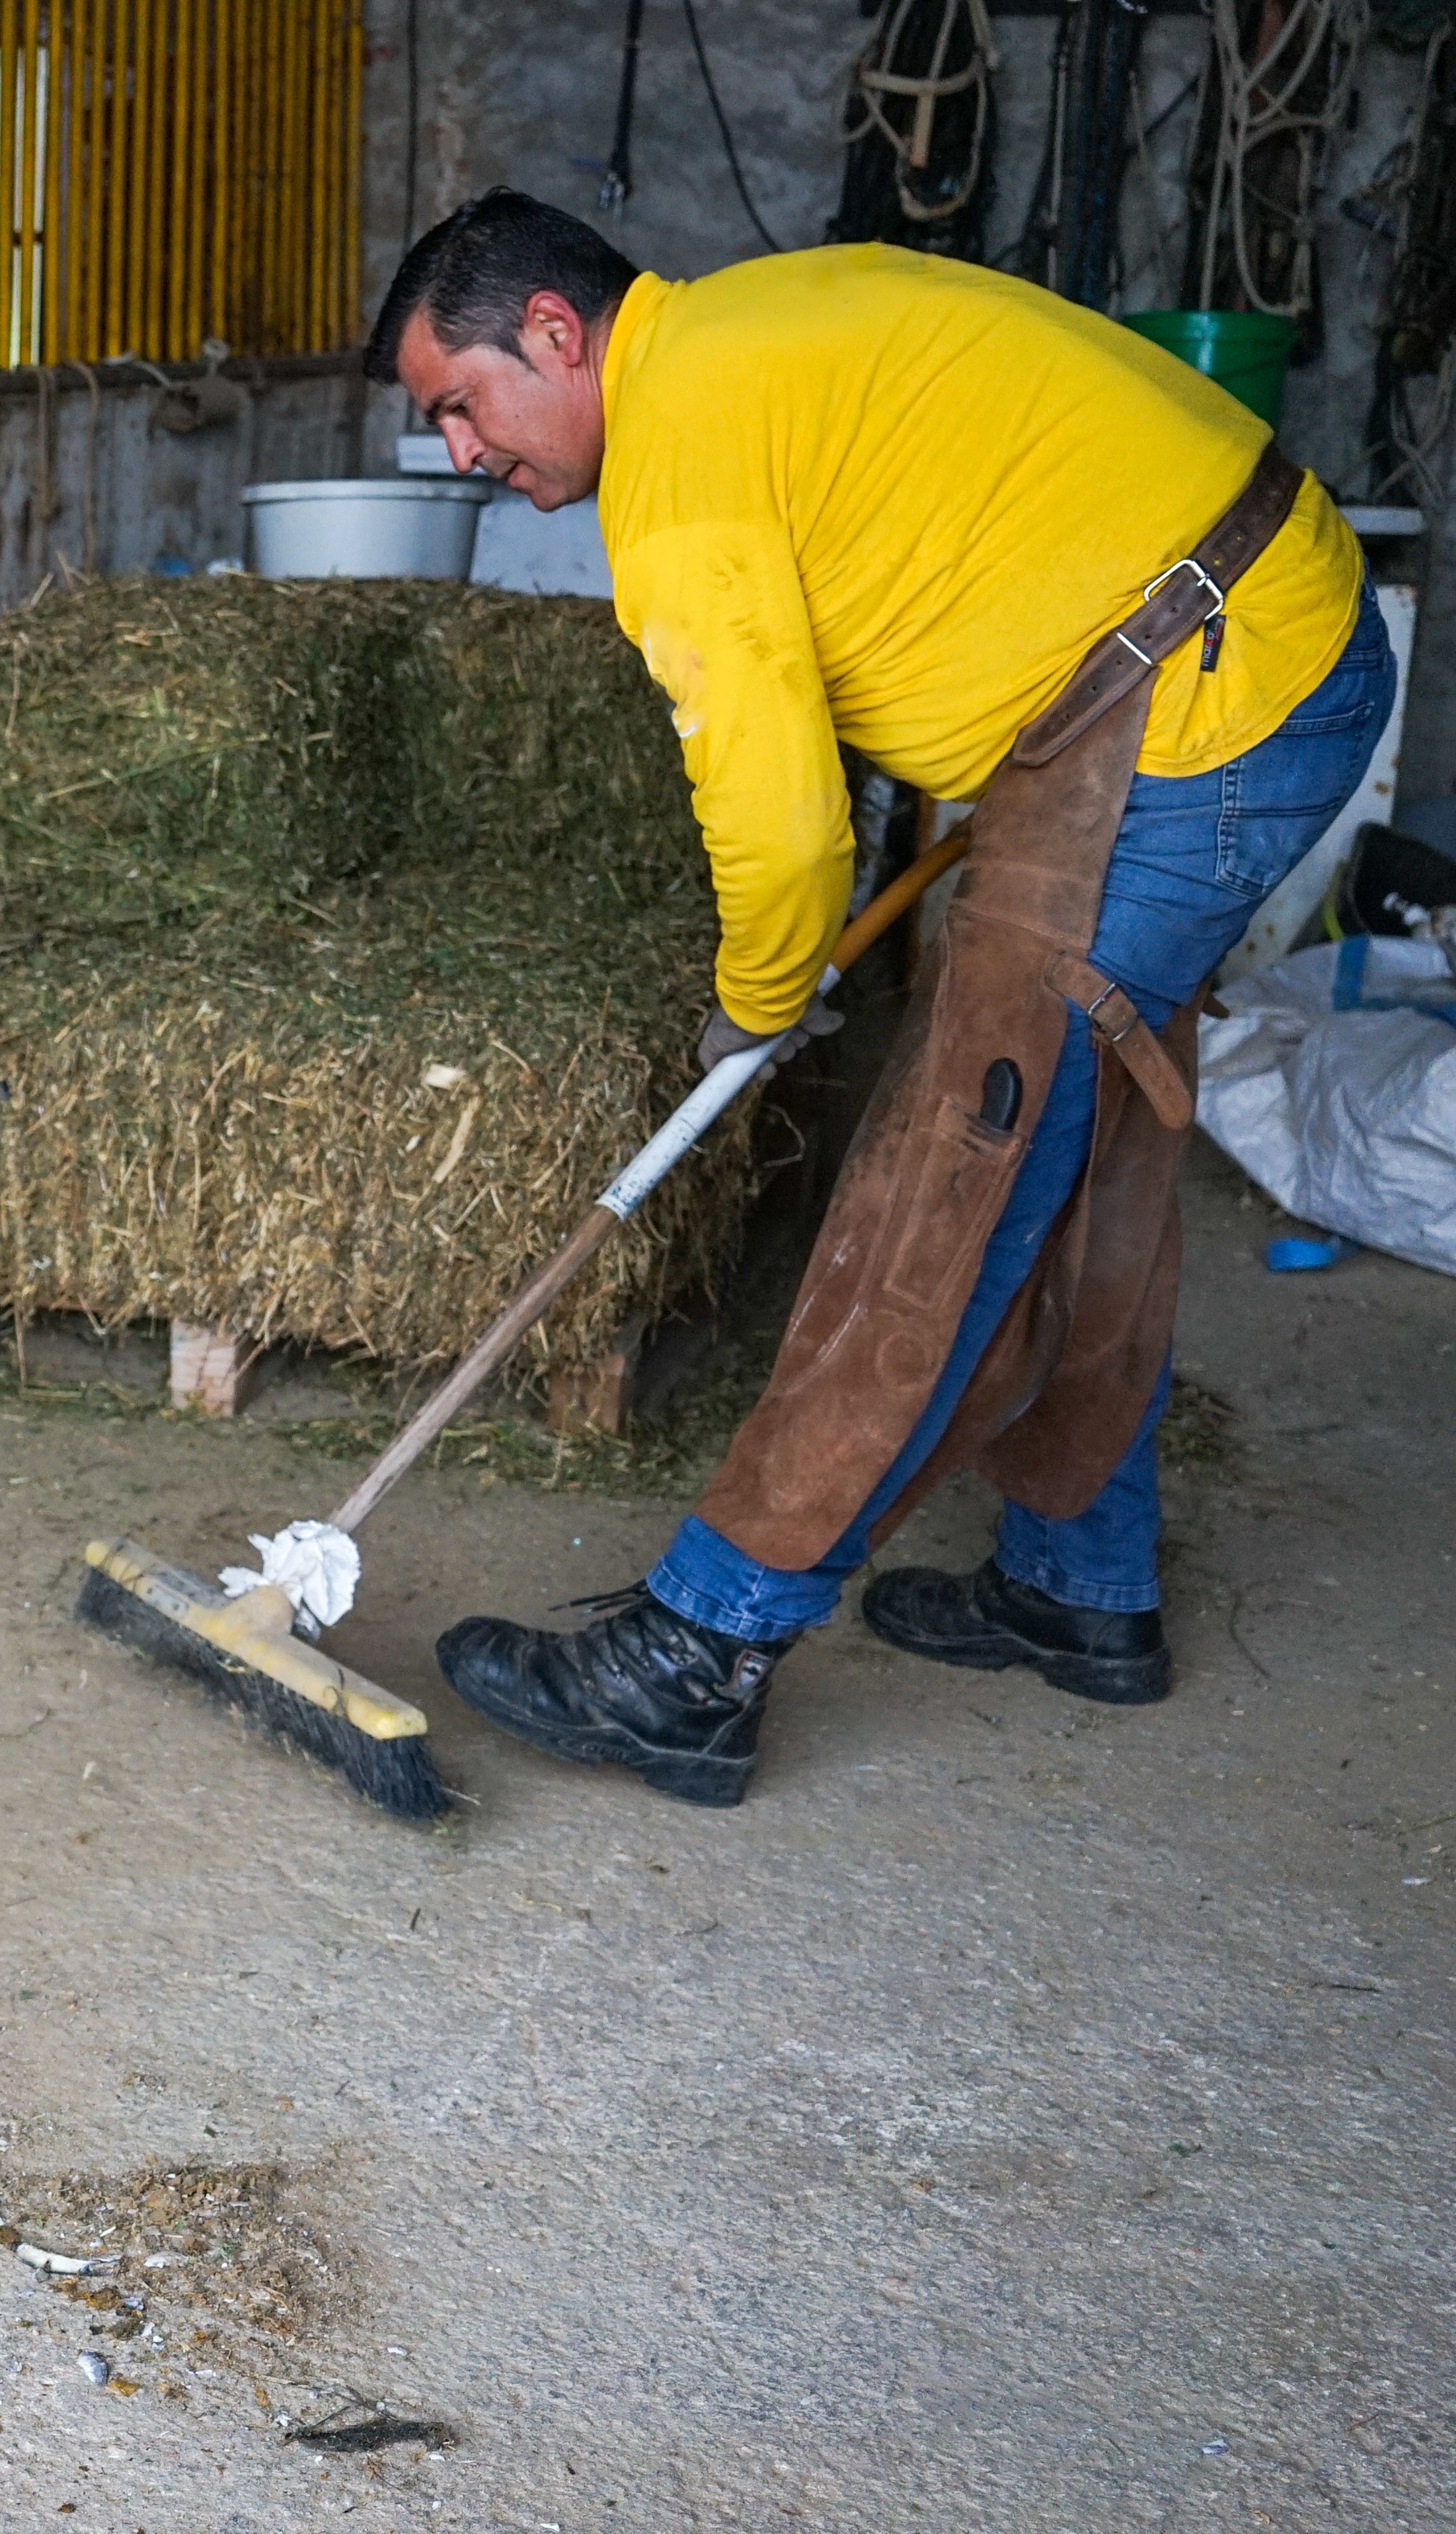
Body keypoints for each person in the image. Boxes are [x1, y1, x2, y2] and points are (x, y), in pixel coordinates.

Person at [367, 191, 1393, 1806]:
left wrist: (755, 999)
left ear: (553, 336)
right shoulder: (744, 337)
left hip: (1202, 695)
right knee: (1084, 1133)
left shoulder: (687, 469)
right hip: (1217, 644)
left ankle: (700, 1651)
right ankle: (1081, 1580)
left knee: (953, 1167)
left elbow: (780, 816)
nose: (460, 457)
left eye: (458, 405)